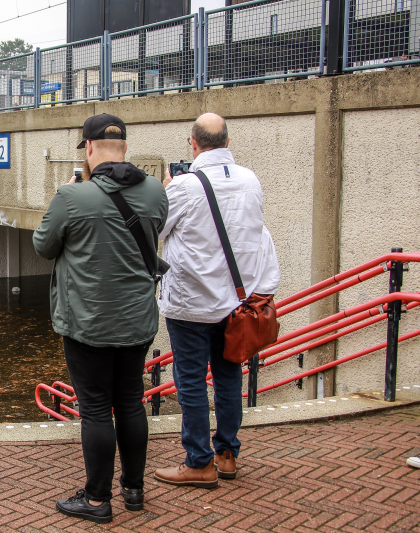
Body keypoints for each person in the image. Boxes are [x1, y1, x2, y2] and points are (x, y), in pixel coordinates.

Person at [33, 113, 169, 523]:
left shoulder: (72, 196)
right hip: (136, 321)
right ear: (125, 147)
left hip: (87, 323)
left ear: (89, 149)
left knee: (95, 410)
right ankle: (134, 490)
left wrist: (72, 195)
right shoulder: (156, 192)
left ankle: (96, 500)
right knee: (130, 400)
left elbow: (43, 245)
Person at [154, 112, 280, 488]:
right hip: (236, 303)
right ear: (227, 142)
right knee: (227, 376)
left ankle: (198, 462)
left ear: (192, 144)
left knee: (190, 380)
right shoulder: (251, 181)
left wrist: (167, 189)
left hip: (190, 302)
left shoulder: (184, 186)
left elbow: (158, 230)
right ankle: (226, 455)